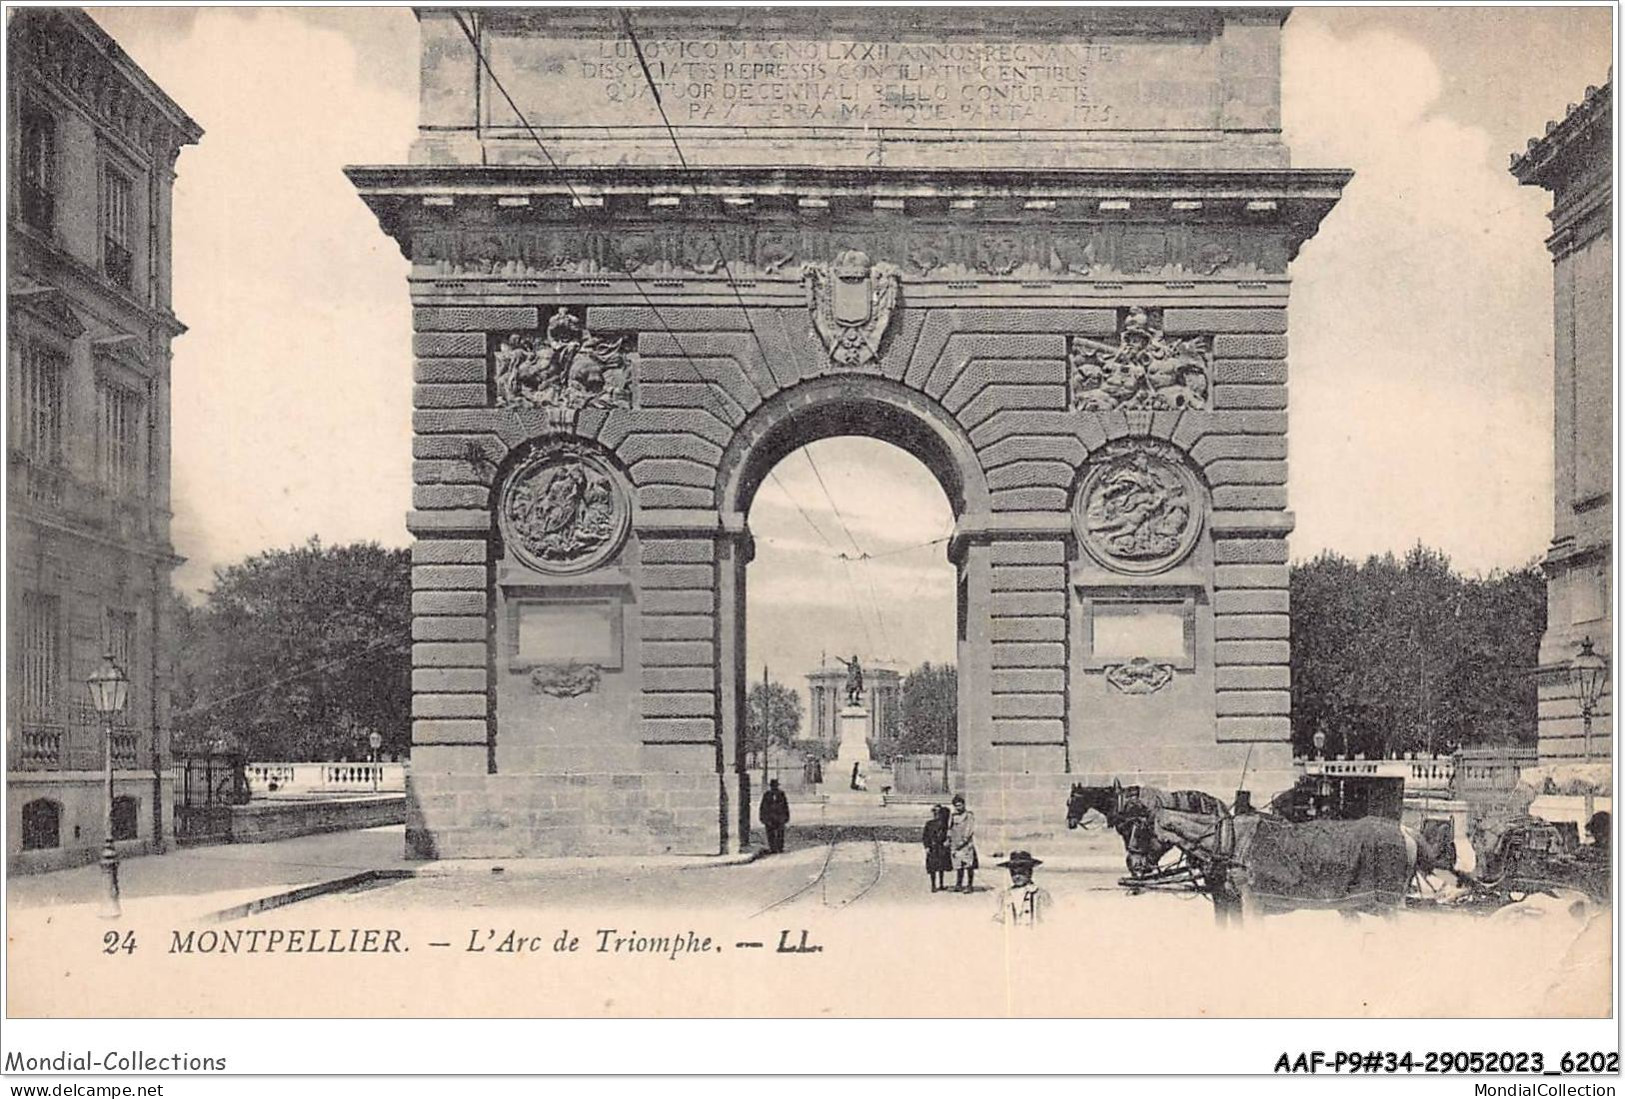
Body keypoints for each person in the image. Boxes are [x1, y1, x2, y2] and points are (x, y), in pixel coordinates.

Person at [993, 851, 1052, 927]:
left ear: (1030, 872)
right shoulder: (1005, 895)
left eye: (1021, 872)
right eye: (1013, 873)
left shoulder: (1039, 894)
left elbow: (1049, 919)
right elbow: (999, 918)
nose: (1017, 876)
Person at [948, 794, 978, 892]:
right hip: (955, 843)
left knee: (968, 865)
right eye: (956, 805)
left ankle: (969, 885)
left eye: (960, 805)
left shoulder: (969, 815)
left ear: (964, 805)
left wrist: (964, 840)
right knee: (958, 865)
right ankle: (959, 884)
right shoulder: (953, 816)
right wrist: (950, 839)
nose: (958, 807)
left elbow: (970, 828)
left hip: (966, 844)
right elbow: (950, 828)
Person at [922, 805, 952, 893]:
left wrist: (947, 841)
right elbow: (925, 836)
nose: (937, 814)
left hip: (941, 847)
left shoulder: (945, 824)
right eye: (935, 812)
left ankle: (941, 884)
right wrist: (927, 846)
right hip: (932, 847)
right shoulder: (929, 823)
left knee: (941, 866)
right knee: (932, 867)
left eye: (939, 812)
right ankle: (933, 885)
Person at [759, 779, 790, 854]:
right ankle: (772, 848)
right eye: (773, 786)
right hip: (770, 817)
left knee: (780, 833)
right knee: (770, 833)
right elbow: (763, 807)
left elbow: (785, 806)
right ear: (771, 787)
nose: (775, 788)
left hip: (779, 817)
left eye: (776, 786)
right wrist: (763, 818)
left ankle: (780, 847)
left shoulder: (781, 794)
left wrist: (786, 817)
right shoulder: (767, 795)